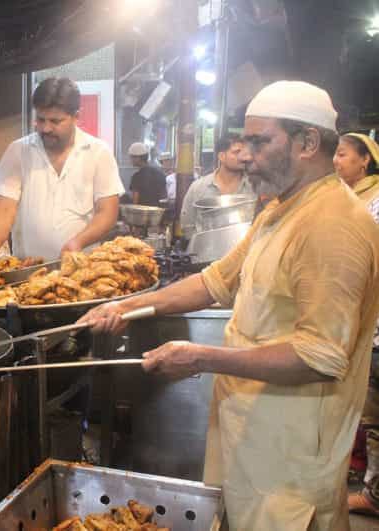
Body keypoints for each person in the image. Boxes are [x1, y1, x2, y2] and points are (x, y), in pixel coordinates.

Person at [80, 81, 379, 530]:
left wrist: (201, 356)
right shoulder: (282, 209)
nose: (245, 155)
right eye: (244, 142)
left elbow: (320, 356)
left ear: (308, 142)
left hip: (290, 459)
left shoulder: (333, 226)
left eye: (260, 142)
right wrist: (130, 306)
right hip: (255, 438)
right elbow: (215, 281)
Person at [0, 77, 123, 291]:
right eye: (40, 119)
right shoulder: (19, 152)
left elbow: (107, 213)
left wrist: (78, 242)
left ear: (76, 117)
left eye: (55, 121)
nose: (45, 128)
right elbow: (4, 209)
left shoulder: (98, 152)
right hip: (26, 275)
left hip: (83, 275)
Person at [331, 133, 379, 516]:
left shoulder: (374, 201)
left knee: (374, 410)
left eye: (343, 155)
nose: (336, 161)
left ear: (365, 161)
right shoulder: (343, 197)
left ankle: (374, 494)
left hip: (373, 321)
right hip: (356, 317)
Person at [179, 133, 254, 238]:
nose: (243, 157)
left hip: (246, 252)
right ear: (222, 156)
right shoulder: (198, 188)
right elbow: (187, 226)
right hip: (206, 252)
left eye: (244, 153)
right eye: (237, 152)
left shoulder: (254, 188)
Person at [127, 142, 167, 206]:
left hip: (143, 214)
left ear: (138, 158)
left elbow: (135, 202)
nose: (130, 160)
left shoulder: (137, 177)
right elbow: (164, 197)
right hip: (158, 213)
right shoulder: (159, 173)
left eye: (132, 157)